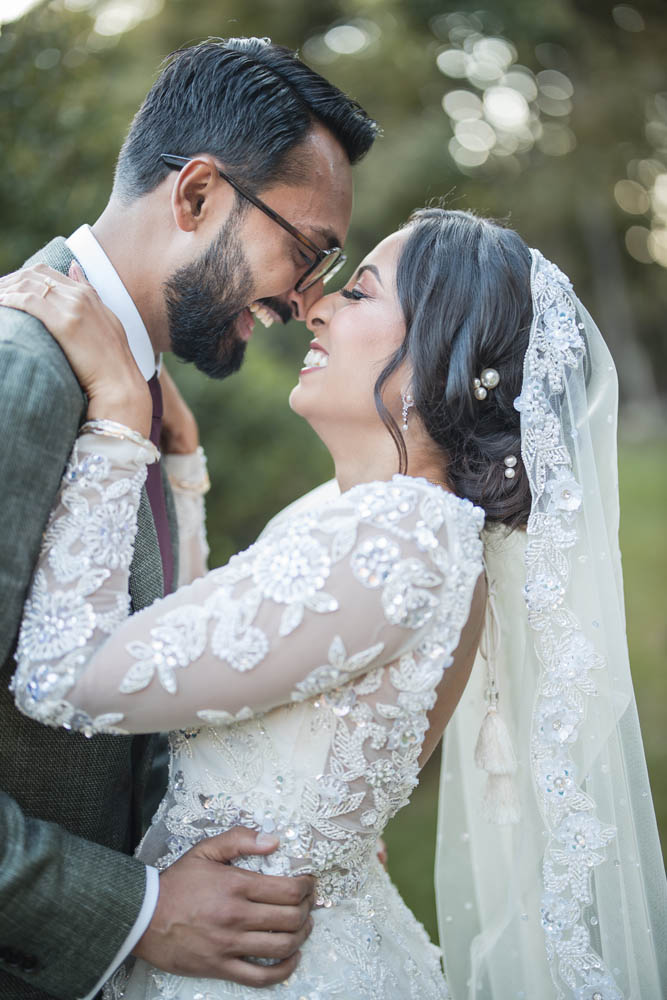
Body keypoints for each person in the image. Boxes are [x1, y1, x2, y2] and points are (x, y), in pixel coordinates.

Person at [2, 207, 664, 999]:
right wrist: (180, 467)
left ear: (436, 355)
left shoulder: (400, 541)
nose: (312, 307)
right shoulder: (365, 517)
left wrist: (117, 412)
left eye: (356, 294)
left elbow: (62, 677)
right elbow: (203, 655)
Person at [0, 36, 378, 999]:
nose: (304, 303)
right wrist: (135, 909)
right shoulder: (23, 374)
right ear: (198, 194)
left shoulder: (143, 401)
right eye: (307, 253)